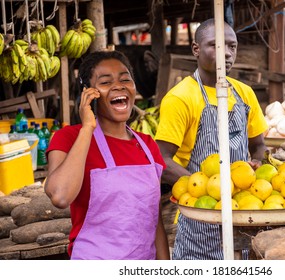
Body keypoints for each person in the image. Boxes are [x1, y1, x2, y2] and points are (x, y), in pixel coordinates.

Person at [154, 18, 268, 260]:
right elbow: (160, 160)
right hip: (200, 214)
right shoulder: (181, 98)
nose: (226, 53)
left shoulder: (244, 94)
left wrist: (256, 163)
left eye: (232, 46)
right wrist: (208, 186)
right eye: (215, 46)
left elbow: (258, 146)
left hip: (242, 212)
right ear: (196, 49)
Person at [44, 50, 170, 260]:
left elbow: (155, 222)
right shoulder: (69, 138)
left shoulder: (148, 146)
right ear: (88, 93)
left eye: (125, 79)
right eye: (105, 82)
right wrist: (87, 128)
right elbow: (60, 196)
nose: (119, 86)